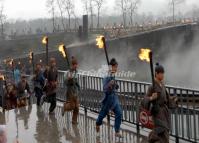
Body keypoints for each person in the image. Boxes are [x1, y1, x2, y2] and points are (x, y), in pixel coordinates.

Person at [142, 63, 178, 143]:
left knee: (163, 133)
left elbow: (167, 98)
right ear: (156, 73)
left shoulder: (162, 85)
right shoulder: (152, 87)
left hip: (164, 112)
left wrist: (173, 100)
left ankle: (153, 138)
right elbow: (144, 100)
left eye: (163, 73)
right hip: (157, 111)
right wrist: (151, 98)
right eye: (161, 73)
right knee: (163, 129)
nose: (163, 75)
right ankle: (152, 137)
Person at [96, 58, 122, 138]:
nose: (116, 69)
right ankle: (97, 123)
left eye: (117, 67)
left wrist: (115, 85)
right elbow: (105, 89)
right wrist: (109, 84)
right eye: (115, 67)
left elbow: (114, 85)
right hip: (107, 99)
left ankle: (117, 131)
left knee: (119, 113)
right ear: (111, 67)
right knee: (102, 114)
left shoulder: (113, 75)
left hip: (114, 99)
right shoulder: (107, 76)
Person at [62, 56, 80, 125]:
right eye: (75, 64)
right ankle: (65, 107)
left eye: (76, 64)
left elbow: (76, 81)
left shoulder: (76, 72)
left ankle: (74, 121)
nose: (76, 66)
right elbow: (65, 82)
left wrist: (78, 88)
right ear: (72, 65)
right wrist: (68, 79)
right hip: (70, 91)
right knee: (72, 106)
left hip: (75, 91)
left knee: (77, 107)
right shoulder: (67, 73)